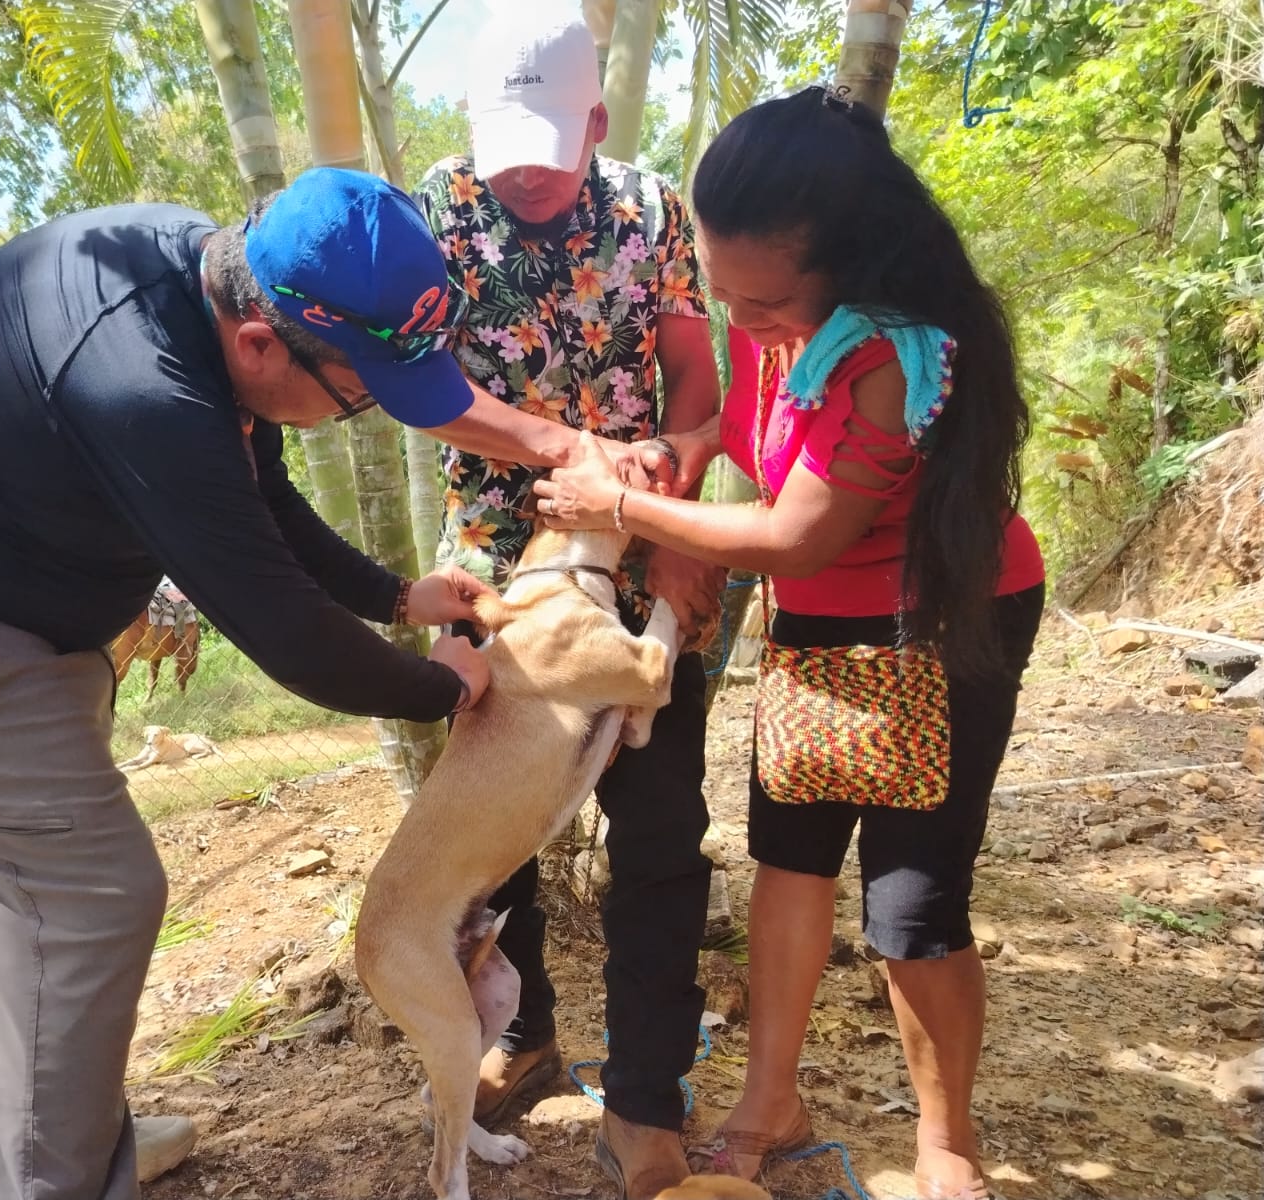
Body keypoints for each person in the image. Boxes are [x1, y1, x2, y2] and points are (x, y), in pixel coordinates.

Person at [0, 167, 663, 1200]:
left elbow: (265, 501)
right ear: (261, 345)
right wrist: (444, 688)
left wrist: (397, 595)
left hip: (12, 641)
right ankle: (53, 1171)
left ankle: (68, 1131)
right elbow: (284, 630)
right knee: (86, 907)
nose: (357, 416)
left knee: (27, 925)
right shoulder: (146, 389)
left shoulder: (214, 280)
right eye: (357, 396)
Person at [529, 87, 1047, 1200]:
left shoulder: (896, 355)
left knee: (910, 906)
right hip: (818, 625)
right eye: (725, 294)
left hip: (939, 622)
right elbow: (752, 437)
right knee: (791, 858)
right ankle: (772, 1097)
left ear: (851, 269)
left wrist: (622, 509)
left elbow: (796, 534)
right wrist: (677, 458)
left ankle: (946, 1140)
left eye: (764, 303)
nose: (743, 318)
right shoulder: (773, 313)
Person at [409, 13, 727, 1197]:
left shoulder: (651, 210)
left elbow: (694, 378)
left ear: (593, 120)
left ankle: (644, 1096)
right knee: (494, 835)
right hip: (498, 571)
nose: (525, 176)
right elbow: (422, 387)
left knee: (661, 825)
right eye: (504, 151)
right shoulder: (438, 211)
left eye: (548, 147)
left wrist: (670, 510)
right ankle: (522, 1028)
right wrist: (559, 448)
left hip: (642, 542)